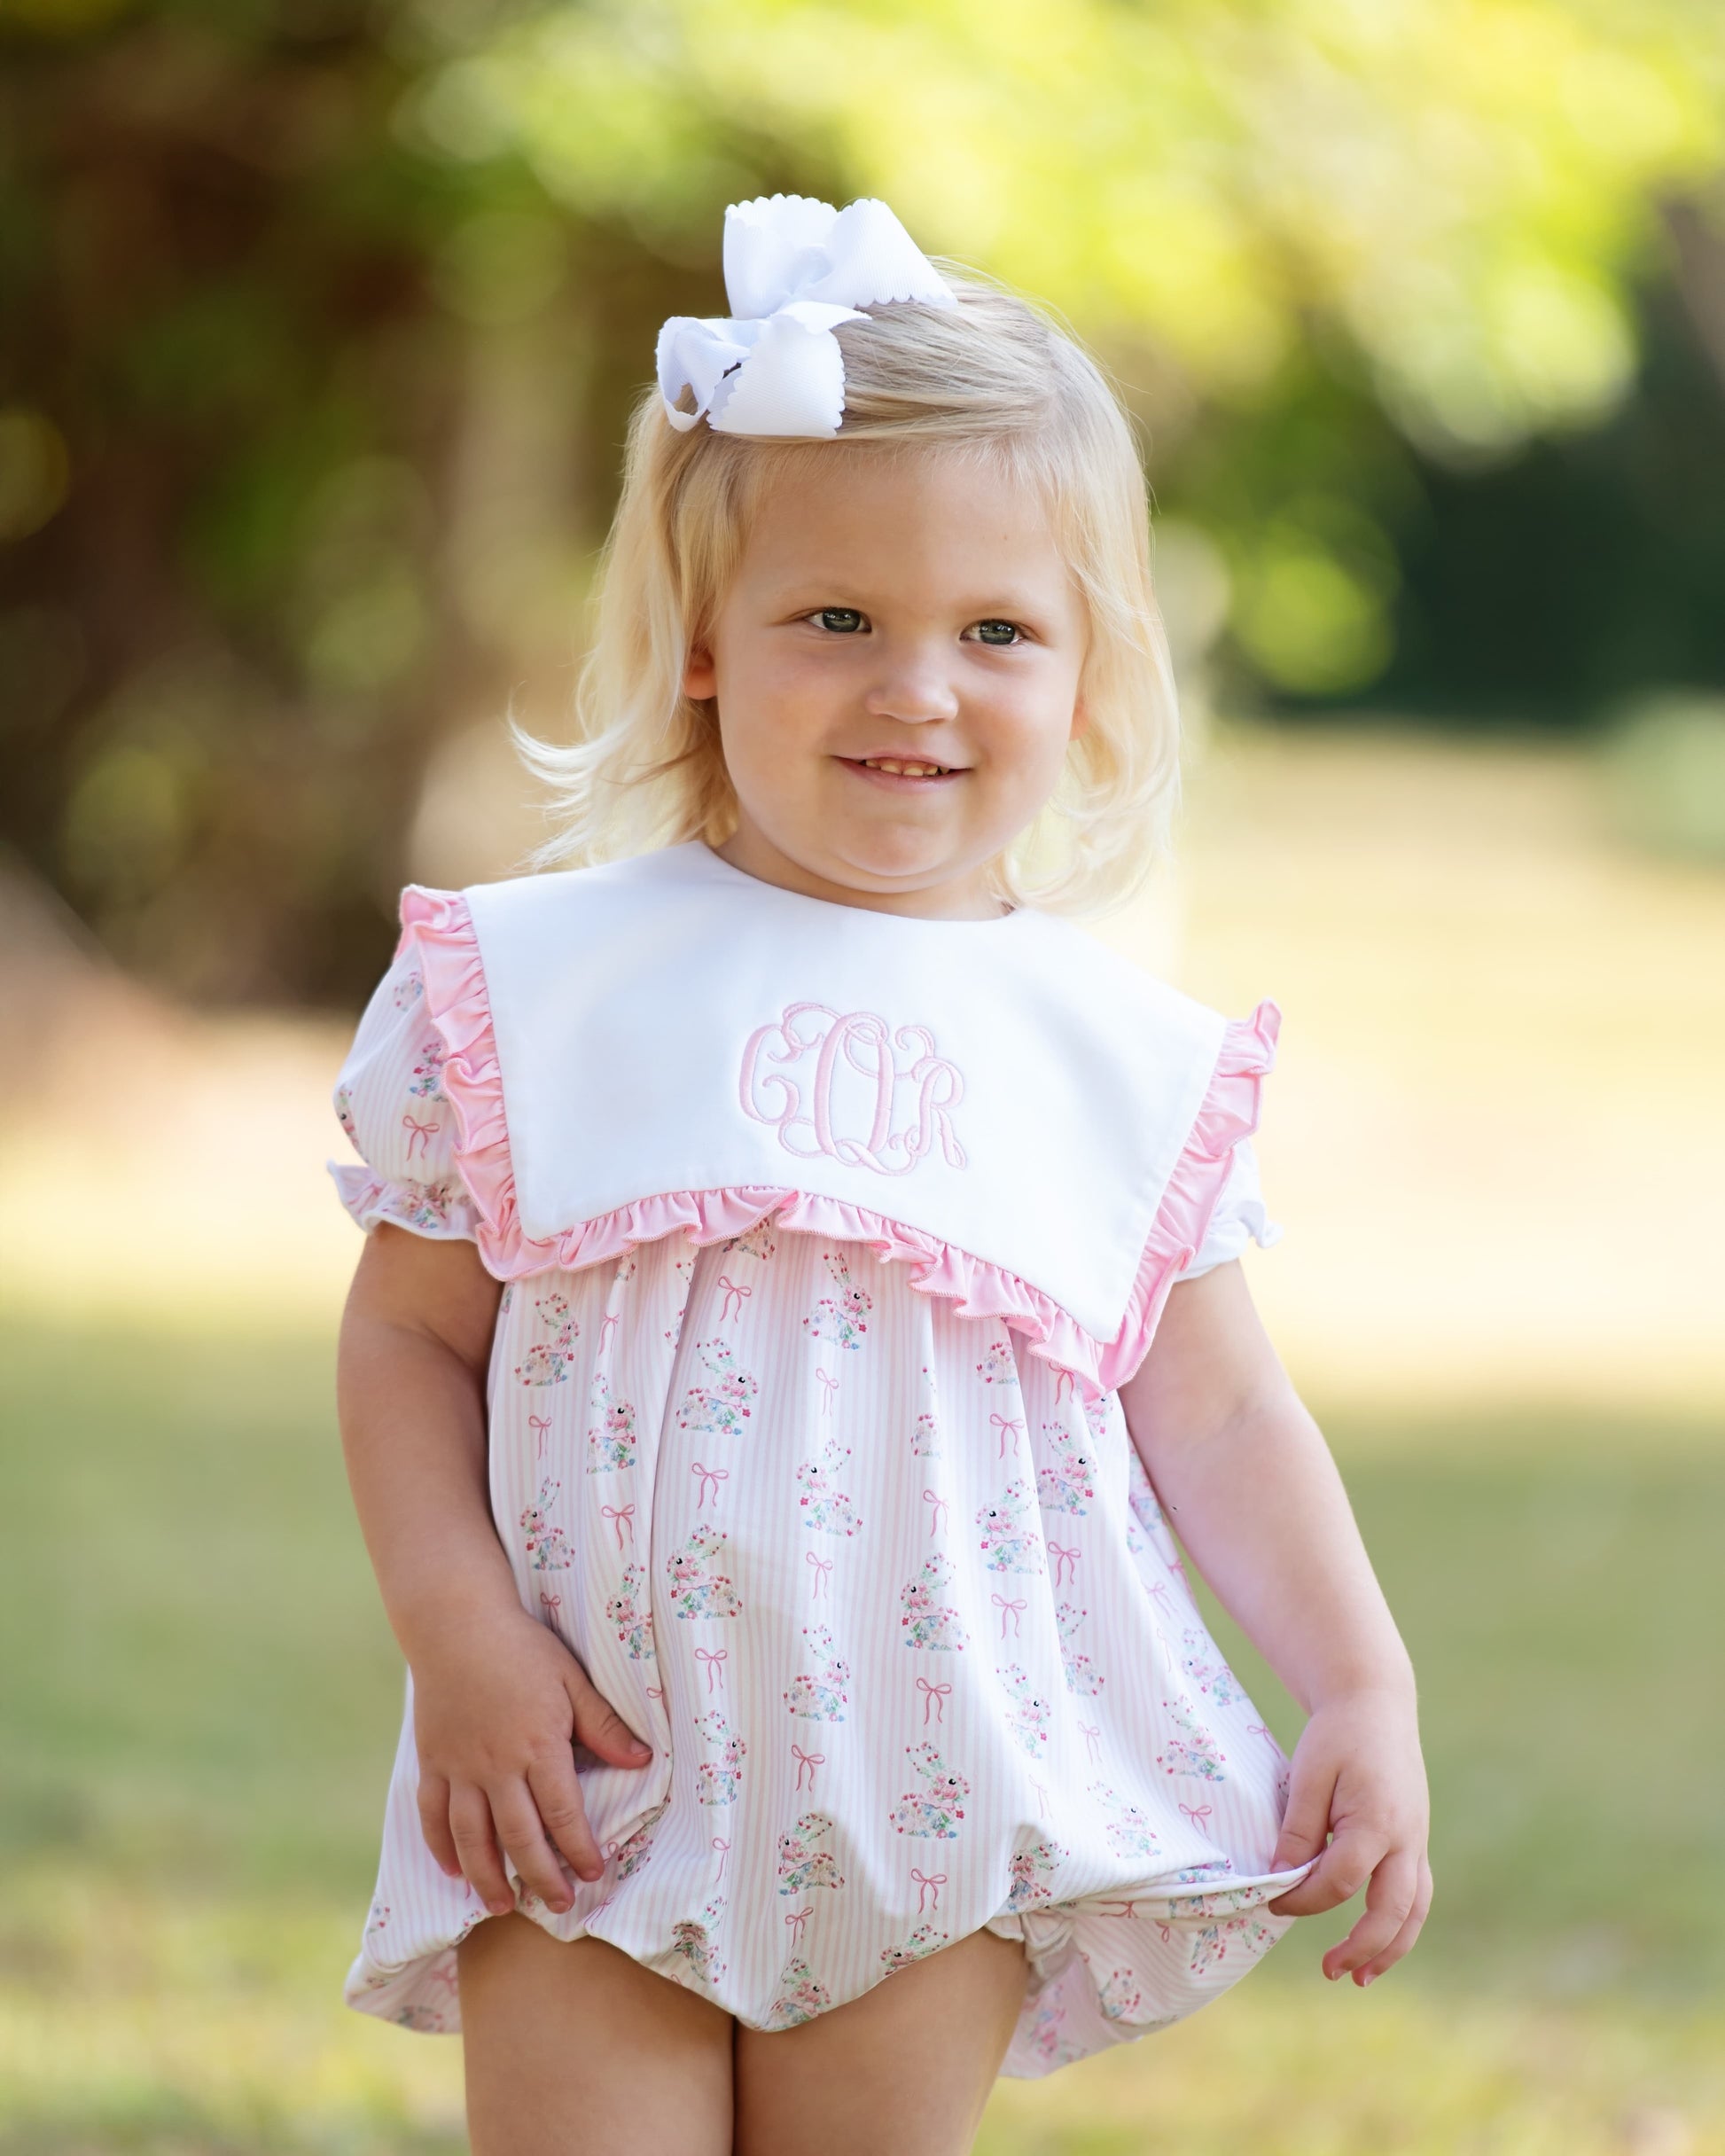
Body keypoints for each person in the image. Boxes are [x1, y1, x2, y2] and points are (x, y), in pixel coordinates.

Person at [328, 193, 1431, 2156]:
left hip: (939, 1792)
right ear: (698, 644)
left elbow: (1223, 1408)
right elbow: (411, 1340)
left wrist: (1358, 1682)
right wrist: (456, 1632)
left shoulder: (1108, 1060)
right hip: (586, 1766)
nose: (915, 687)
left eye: (995, 632)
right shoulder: (541, 992)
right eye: (836, 620)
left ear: (1088, 673)